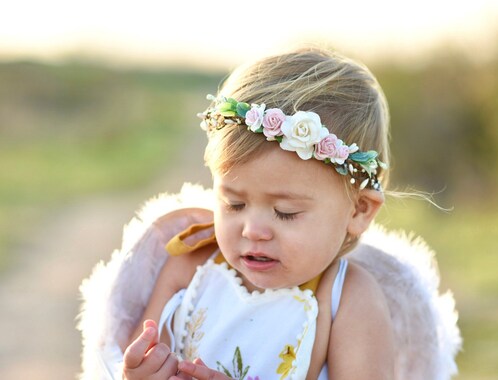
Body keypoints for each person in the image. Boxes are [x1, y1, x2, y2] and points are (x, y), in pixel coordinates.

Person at [78, 47, 461, 380]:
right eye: (234, 204)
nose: (254, 229)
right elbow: (133, 361)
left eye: (286, 212)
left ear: (359, 210)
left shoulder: (348, 301)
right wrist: (140, 373)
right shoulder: (188, 267)